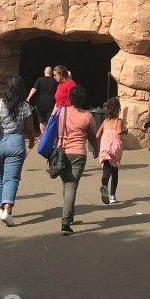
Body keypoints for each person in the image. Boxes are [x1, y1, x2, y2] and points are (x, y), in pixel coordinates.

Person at [0, 76, 36, 227]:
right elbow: (30, 128)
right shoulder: (26, 107)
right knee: (11, 178)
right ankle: (7, 209)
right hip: (16, 143)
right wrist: (31, 141)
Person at [56, 84, 98, 235]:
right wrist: (96, 148)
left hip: (61, 153)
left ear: (70, 98)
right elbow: (92, 136)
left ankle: (70, 214)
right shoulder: (88, 116)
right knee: (71, 185)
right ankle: (65, 222)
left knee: (67, 185)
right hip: (79, 154)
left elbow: (52, 127)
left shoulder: (61, 112)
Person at [97, 97, 124, 204]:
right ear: (118, 109)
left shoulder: (105, 121)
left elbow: (97, 135)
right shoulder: (119, 121)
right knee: (115, 171)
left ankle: (104, 186)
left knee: (106, 170)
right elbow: (119, 131)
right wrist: (125, 131)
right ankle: (112, 196)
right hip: (115, 148)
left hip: (105, 148)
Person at [27, 66, 58, 131]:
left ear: (44, 72)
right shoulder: (54, 80)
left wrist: (28, 97)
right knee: (50, 120)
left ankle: (42, 134)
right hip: (51, 103)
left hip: (40, 103)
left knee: (42, 121)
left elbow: (34, 88)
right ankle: (49, 134)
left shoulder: (40, 79)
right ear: (51, 72)